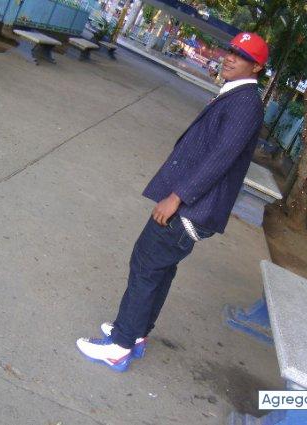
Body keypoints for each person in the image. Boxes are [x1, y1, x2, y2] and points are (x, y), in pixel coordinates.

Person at [76, 32, 269, 372]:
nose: (229, 57)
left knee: (147, 265)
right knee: (159, 269)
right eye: (230, 50)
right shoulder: (237, 95)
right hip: (192, 205)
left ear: (256, 67)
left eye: (241, 56)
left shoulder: (246, 103)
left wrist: (177, 197)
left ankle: (119, 346)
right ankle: (135, 333)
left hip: (191, 208)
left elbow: (220, 158)